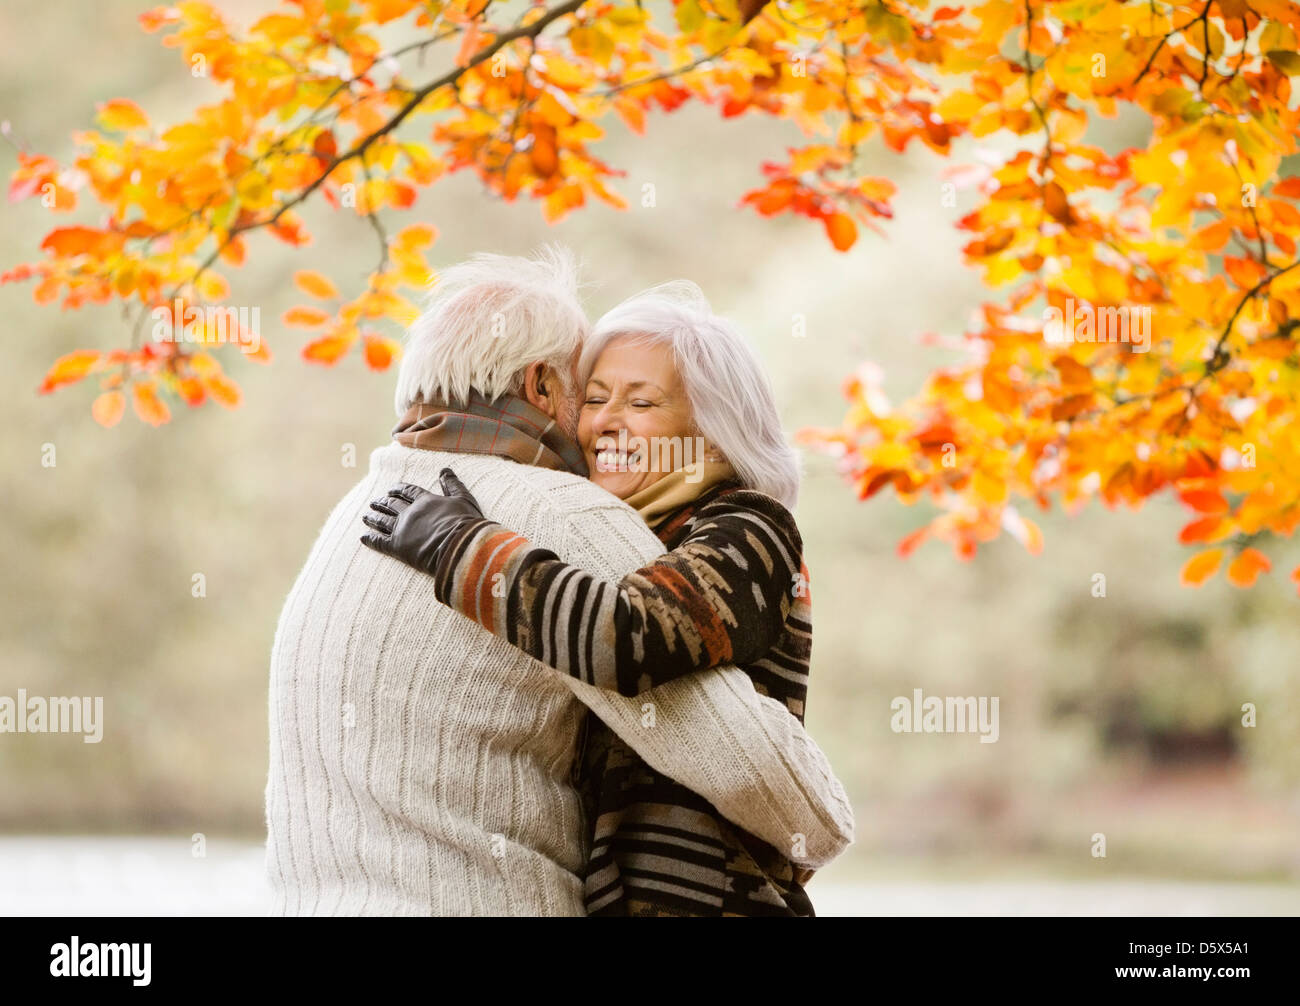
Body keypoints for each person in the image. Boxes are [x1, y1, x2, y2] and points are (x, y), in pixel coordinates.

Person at [266, 246, 853, 915]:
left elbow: (630, 633)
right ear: (545, 386)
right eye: (594, 394)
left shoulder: (746, 526)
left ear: (710, 429)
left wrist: (464, 550)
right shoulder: (573, 517)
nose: (600, 422)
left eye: (642, 401)